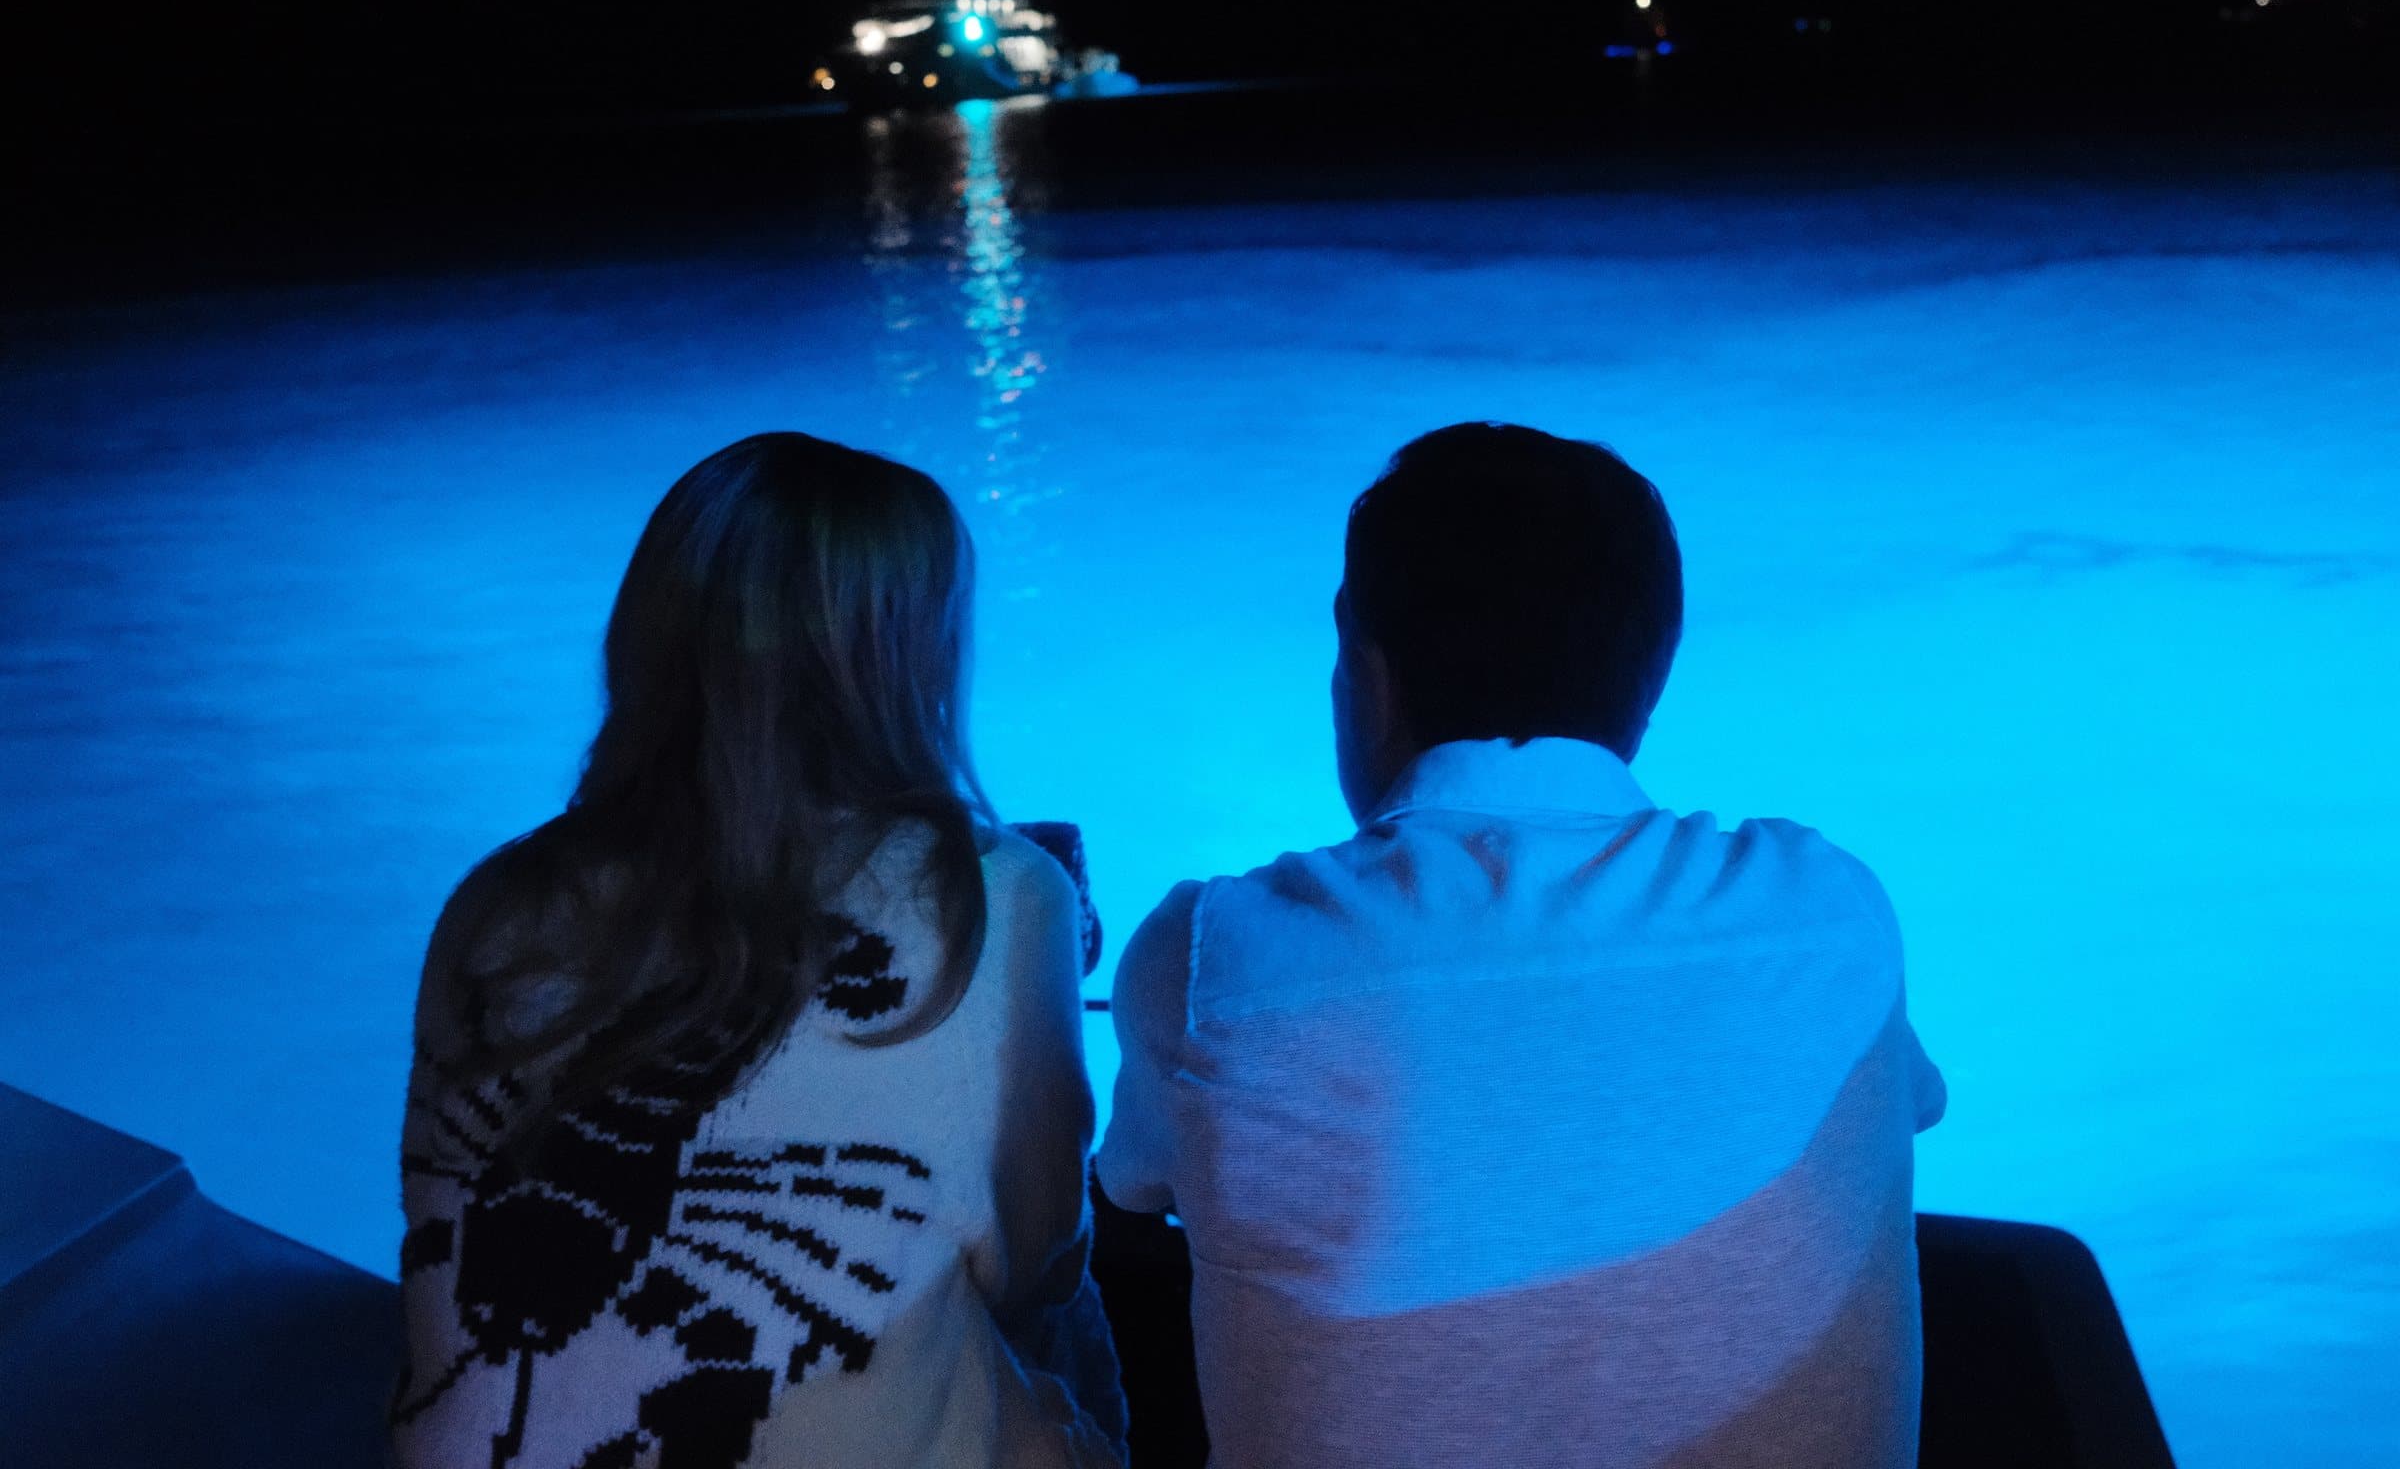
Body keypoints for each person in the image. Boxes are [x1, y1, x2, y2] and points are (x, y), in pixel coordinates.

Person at [1098, 422, 1947, 1468]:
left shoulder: (1219, 954)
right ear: (1653, 674)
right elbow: (1911, 1105)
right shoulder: (1830, 912)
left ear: (1361, 670)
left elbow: (1129, 1191)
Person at [393, 433, 1125, 1469]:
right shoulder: (991, 898)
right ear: (911, 654)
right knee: (1067, 1307)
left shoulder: (494, 902)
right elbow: (1037, 1262)